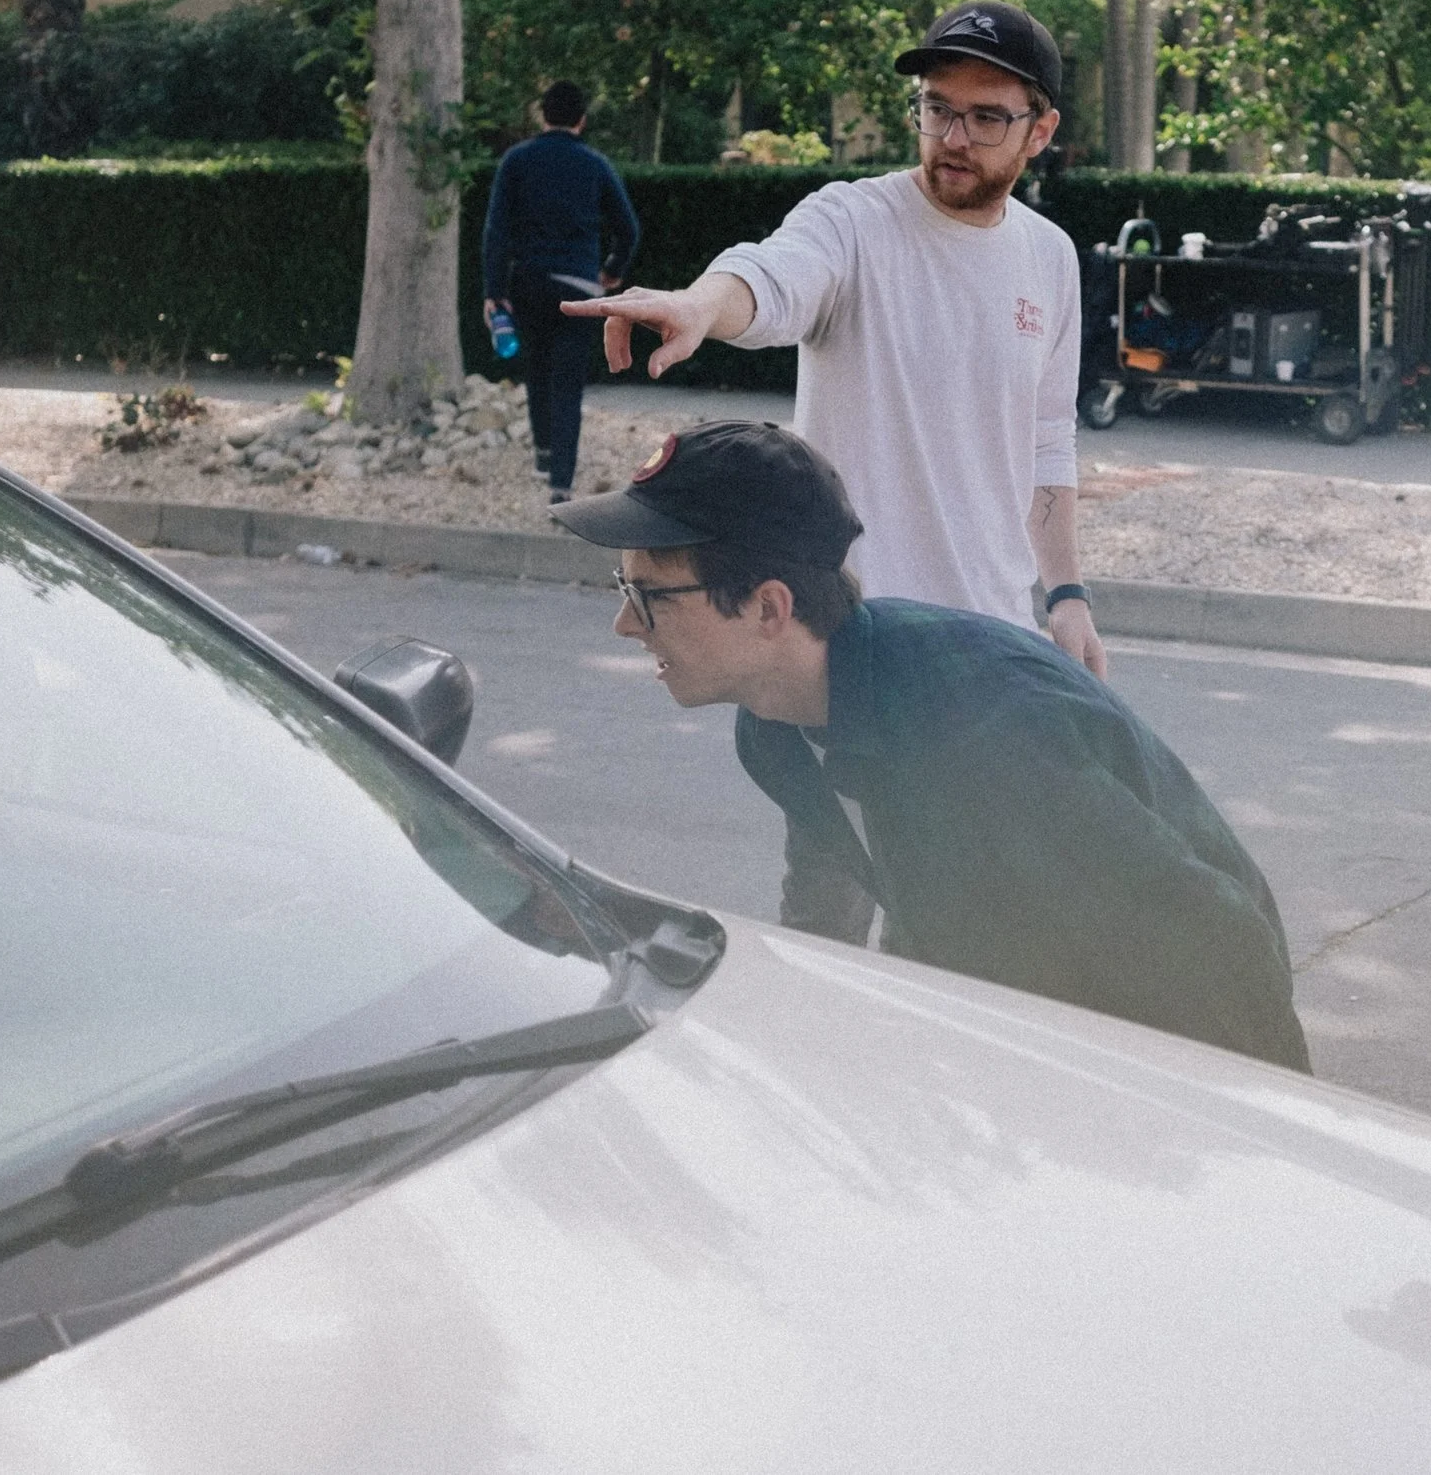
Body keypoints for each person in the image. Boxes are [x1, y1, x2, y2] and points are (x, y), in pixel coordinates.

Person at [553, 420, 1310, 1071]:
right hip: (1018, 1042)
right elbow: (846, 892)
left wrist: (1263, 1128)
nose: (625, 625)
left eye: (646, 596)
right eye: (623, 589)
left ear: (769, 609)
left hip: (1163, 1059)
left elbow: (1213, 941)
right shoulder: (773, 726)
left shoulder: (984, 731)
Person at [561, 1, 1104, 677]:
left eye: (987, 118)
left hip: (995, 635)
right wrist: (700, 304)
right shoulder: (852, 220)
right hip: (854, 643)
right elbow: (772, 275)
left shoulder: (1050, 255)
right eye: (937, 108)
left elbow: (1047, 438)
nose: (953, 137)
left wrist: (1067, 595)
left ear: (1040, 131)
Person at [480, 80, 642, 504]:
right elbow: (628, 229)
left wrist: (494, 290)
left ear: (543, 115)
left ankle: (544, 452)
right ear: (582, 120)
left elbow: (496, 231)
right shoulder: (595, 165)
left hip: (529, 281)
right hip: (580, 287)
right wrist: (611, 271)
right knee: (568, 384)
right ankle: (561, 484)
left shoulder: (516, 160)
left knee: (536, 368)